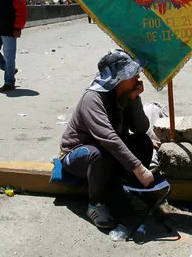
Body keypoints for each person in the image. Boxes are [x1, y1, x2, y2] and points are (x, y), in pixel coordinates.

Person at [59, 49, 154, 230]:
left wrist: (135, 99)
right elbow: (109, 139)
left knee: (143, 142)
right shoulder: (92, 99)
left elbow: (140, 128)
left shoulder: (123, 94)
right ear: (118, 79)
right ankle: (95, 204)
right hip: (78, 154)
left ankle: (125, 191)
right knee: (99, 154)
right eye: (132, 75)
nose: (137, 78)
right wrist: (140, 170)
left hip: (108, 151)